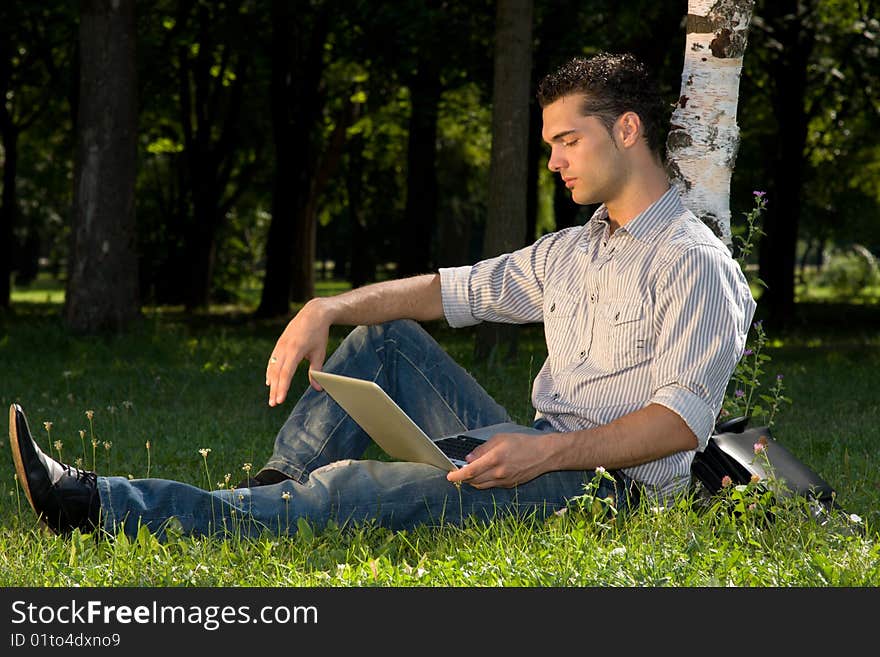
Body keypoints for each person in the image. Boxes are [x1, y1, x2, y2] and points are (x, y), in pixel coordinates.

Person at [9, 52, 756, 540]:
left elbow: (679, 423)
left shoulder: (694, 263)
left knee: (353, 489)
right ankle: (267, 499)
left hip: (606, 499)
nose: (553, 159)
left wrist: (543, 452)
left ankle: (97, 503)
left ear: (627, 130)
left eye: (568, 140)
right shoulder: (572, 249)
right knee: (381, 343)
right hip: (536, 451)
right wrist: (325, 308)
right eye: (550, 143)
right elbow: (443, 290)